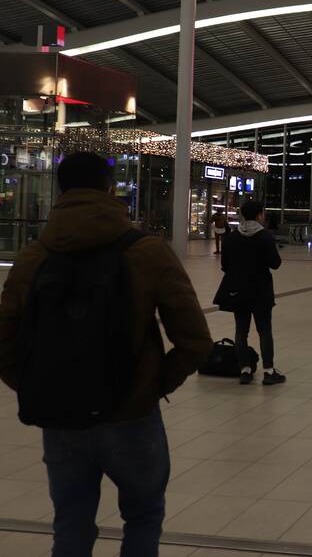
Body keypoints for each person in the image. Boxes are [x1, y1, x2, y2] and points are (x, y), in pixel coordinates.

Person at [0, 152, 213, 557]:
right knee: (144, 515)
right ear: (111, 189)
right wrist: (149, 385)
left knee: (71, 522)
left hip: (60, 417)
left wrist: (32, 383)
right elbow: (195, 341)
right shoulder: (147, 251)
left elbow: (4, 339)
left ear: (59, 191)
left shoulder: (33, 257)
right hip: (132, 416)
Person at [214, 200, 286, 386]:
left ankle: (244, 370)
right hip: (260, 291)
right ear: (259, 215)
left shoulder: (231, 237)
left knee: (241, 331)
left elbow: (225, 266)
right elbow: (276, 264)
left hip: (238, 291)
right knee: (264, 331)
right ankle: (269, 372)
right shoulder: (265, 237)